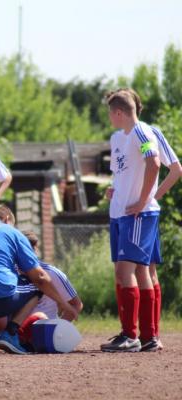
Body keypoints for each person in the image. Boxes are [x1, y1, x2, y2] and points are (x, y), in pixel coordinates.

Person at [106, 90, 182, 350]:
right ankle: (149, 338)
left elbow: (156, 164)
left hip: (137, 214)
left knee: (127, 271)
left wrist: (145, 199)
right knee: (143, 269)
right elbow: (126, 173)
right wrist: (115, 191)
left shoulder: (143, 132)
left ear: (119, 112)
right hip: (120, 213)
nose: (108, 117)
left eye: (109, 112)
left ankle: (132, 335)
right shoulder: (118, 138)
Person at [0, 205, 78, 355]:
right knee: (35, 286)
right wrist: (62, 303)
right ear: (7, 219)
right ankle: (10, 334)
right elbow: (40, 278)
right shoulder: (11, 232)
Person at [16, 230, 83, 348]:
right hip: (15, 329)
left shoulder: (51, 273)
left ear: (35, 250)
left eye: (28, 250)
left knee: (38, 316)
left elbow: (76, 304)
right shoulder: (9, 272)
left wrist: (57, 330)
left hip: (40, 330)